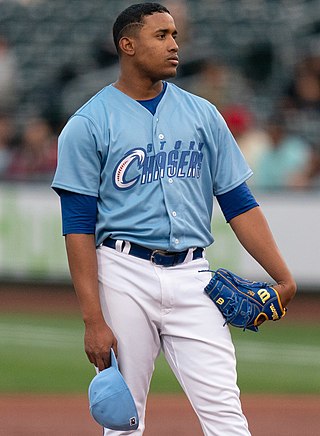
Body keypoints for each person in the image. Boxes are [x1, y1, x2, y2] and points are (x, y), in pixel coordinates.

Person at [51, 4, 296, 435]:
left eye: (175, 35)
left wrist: (281, 276)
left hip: (193, 275)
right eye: (160, 35)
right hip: (123, 271)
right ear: (127, 45)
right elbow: (77, 227)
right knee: (124, 420)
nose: (174, 45)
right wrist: (93, 319)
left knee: (226, 413)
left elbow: (239, 203)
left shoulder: (203, 114)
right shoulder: (88, 124)